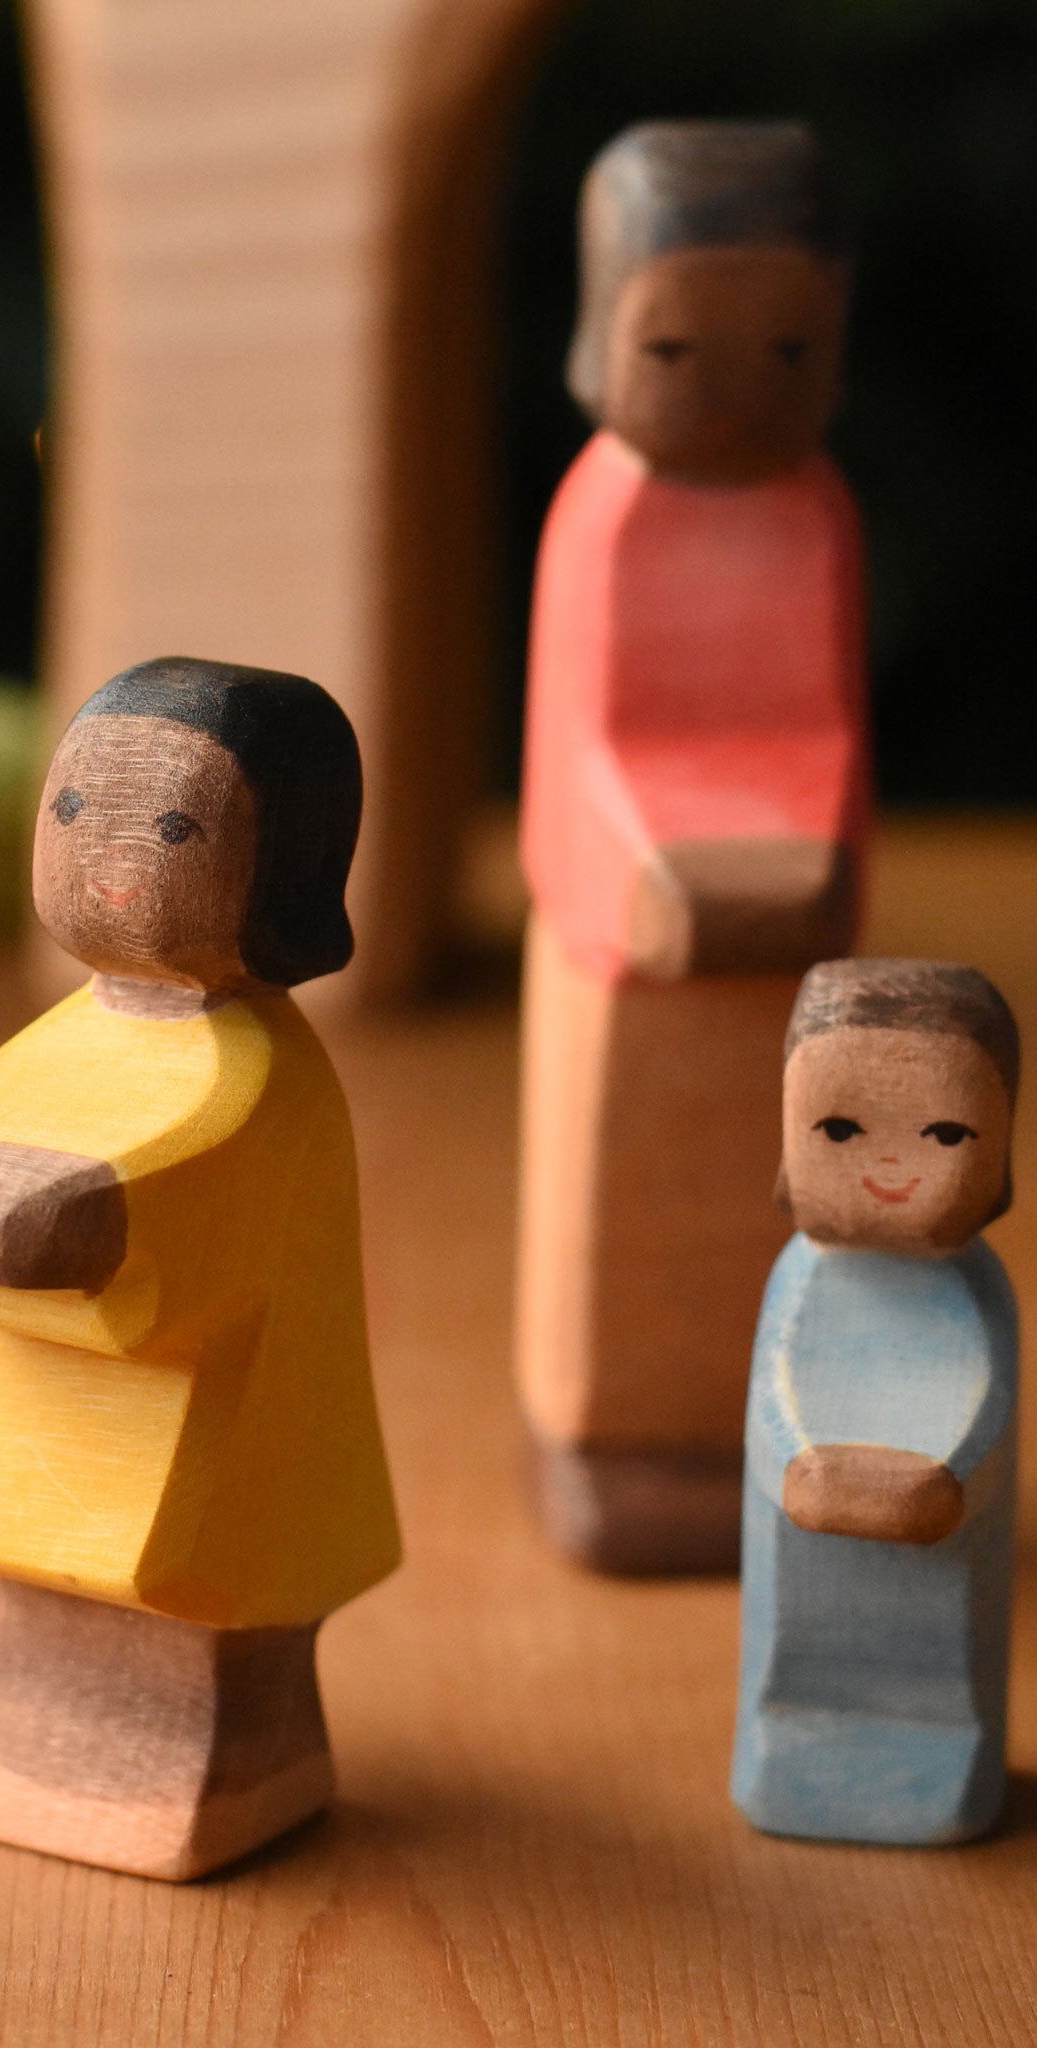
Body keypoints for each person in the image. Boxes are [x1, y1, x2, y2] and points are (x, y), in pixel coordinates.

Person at [0, 655, 401, 1879]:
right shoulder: (70, 1032)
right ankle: (33, 1759)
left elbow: (192, 1184)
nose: (103, 851)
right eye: (71, 809)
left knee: (194, 1630)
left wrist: (78, 1217)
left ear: (276, 863)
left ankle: (234, 1777)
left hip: (221, 1430)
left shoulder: (259, 1075)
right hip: (50, 1418)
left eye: (175, 824)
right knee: (46, 1607)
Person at [516, 122, 870, 1572]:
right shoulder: (606, 515)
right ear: (604, 337)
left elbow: (829, 724)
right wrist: (650, 876)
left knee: (782, 1210)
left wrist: (822, 852)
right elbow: (581, 745)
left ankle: (765, 1440)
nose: (735, 392)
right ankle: (609, 1441)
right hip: (628, 938)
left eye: (787, 355)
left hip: (783, 933)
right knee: (620, 1243)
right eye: (680, 354)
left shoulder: (813, 515)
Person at [734, 958, 1020, 1843]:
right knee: (798, 1674)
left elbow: (990, 1410)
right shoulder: (803, 1279)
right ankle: (793, 1761)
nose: (893, 1164)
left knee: (938, 1678)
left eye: (945, 1134)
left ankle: (936, 1773)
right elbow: (773, 1402)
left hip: (940, 1553)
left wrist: (947, 1480)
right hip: (809, 1550)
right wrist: (802, 1469)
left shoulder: (974, 1291)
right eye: (843, 1128)